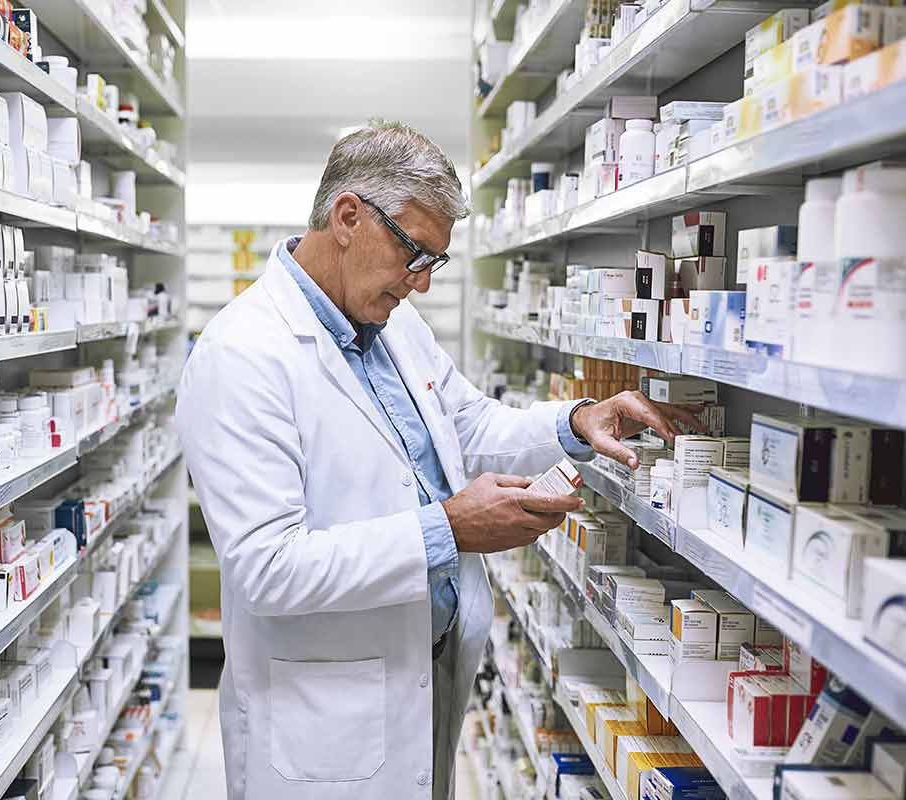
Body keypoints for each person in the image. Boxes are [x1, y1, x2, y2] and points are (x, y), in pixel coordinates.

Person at [175, 120, 702, 800]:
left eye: (433, 264)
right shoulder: (241, 356)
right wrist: (447, 530)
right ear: (348, 217)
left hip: (427, 678)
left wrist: (575, 422)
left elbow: (466, 423)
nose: (420, 284)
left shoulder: (392, 324)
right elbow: (266, 570)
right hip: (325, 723)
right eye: (415, 254)